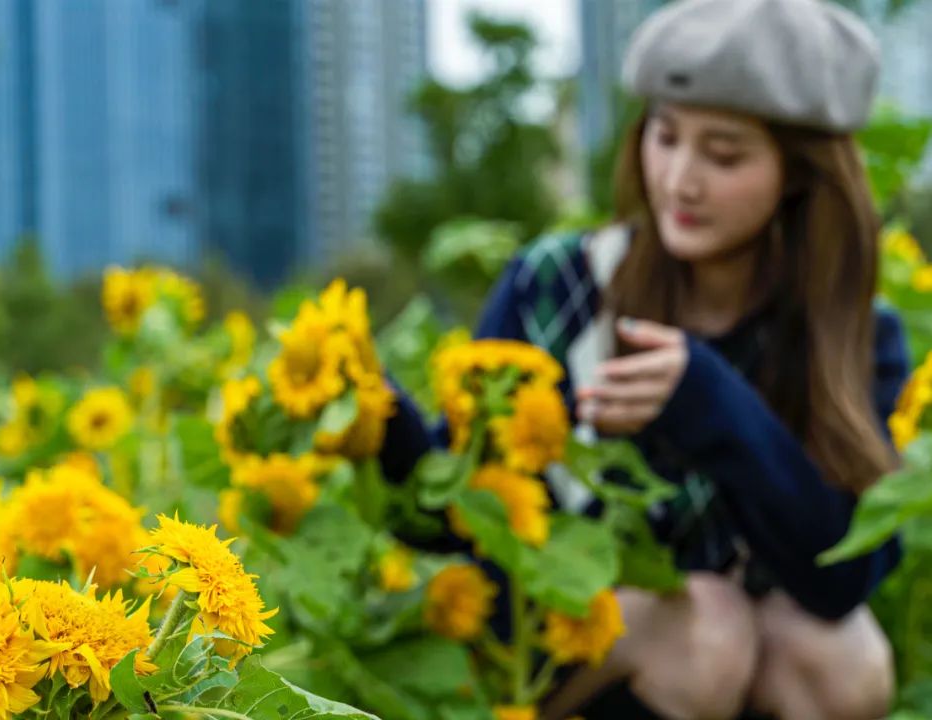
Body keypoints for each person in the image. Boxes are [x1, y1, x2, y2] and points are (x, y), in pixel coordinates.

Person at [379, 0, 907, 717]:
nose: (680, 180)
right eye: (665, 137)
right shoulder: (558, 285)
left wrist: (708, 399)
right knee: (707, 629)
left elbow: (841, 582)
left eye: (724, 155)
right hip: (550, 653)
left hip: (737, 666)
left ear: (799, 175)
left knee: (842, 660)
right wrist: (379, 424)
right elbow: (451, 513)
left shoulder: (848, 329)